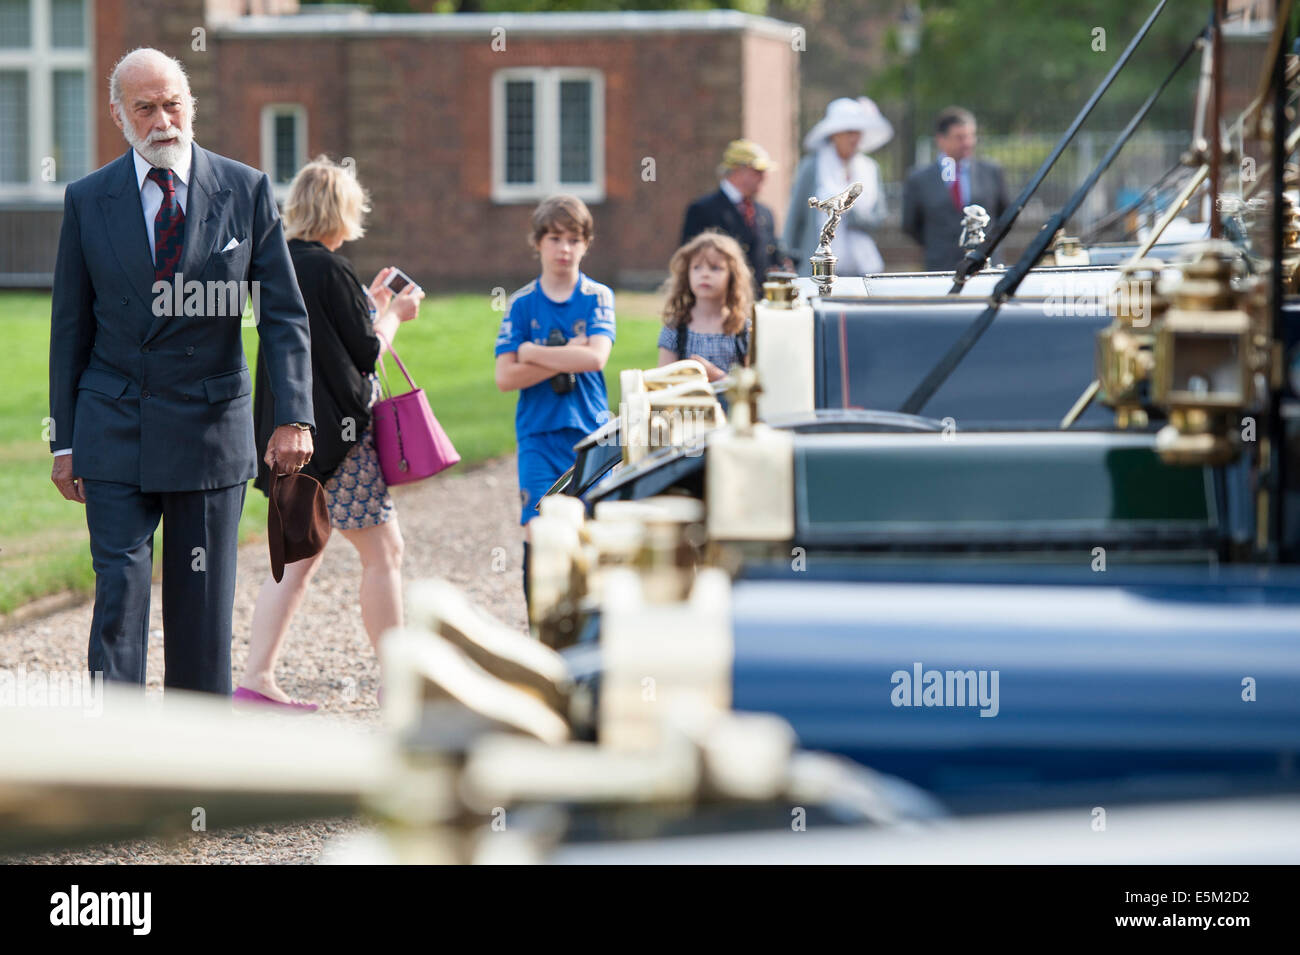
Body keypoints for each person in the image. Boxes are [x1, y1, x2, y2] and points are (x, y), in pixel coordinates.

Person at [47, 48, 314, 696]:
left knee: (199, 609)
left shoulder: (245, 189)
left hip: (208, 429)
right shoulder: (87, 199)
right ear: (118, 115)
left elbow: (281, 313)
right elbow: (69, 325)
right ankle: (120, 757)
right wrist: (65, 438)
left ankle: (195, 769)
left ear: (189, 106)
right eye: (146, 107)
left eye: (173, 104)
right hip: (114, 425)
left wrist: (293, 414)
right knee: (120, 593)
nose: (163, 120)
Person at [237, 157, 424, 710]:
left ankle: (255, 679)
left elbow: (315, 337)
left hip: (285, 438)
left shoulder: (276, 263)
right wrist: (397, 315)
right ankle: (398, 682)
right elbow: (365, 353)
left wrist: (369, 304)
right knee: (384, 552)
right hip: (337, 439)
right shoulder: (329, 267)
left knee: (295, 559)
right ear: (343, 210)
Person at [494, 195, 615, 597]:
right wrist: (568, 356)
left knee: (589, 530)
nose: (564, 249)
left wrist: (532, 352)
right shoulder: (521, 304)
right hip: (539, 436)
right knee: (539, 529)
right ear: (538, 242)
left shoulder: (598, 297)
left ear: (586, 244)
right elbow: (506, 377)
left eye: (574, 239)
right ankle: (540, 630)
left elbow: (595, 358)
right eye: (555, 238)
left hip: (590, 432)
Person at [783, 97, 893, 276]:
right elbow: (796, 215)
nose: (854, 138)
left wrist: (855, 217)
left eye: (858, 132)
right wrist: (787, 256)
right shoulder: (812, 167)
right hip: (819, 267)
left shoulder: (870, 168)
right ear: (834, 134)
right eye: (849, 131)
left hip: (861, 268)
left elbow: (879, 217)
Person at [902, 106, 1010, 271]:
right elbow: (910, 224)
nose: (967, 143)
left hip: (985, 265)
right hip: (941, 267)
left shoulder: (991, 172)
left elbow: (1006, 214)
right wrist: (939, 243)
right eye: (959, 137)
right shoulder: (919, 179)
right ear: (941, 139)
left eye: (970, 136)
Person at [681, 140, 792, 294]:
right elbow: (690, 261)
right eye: (757, 171)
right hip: (721, 300)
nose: (763, 177)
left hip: (758, 301)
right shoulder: (703, 210)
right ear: (737, 170)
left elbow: (772, 257)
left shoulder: (765, 213)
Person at [657, 231, 755, 383]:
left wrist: (716, 375)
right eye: (696, 267)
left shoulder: (744, 330)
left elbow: (752, 386)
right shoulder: (675, 329)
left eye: (715, 268)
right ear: (686, 274)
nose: (704, 274)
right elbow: (662, 384)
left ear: (732, 276)